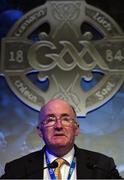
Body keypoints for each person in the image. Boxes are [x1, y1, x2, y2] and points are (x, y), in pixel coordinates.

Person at [1, 98, 123, 179]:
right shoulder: (17, 170)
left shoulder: (102, 166)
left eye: (65, 119)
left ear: (76, 129)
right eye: (50, 120)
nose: (58, 126)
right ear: (39, 131)